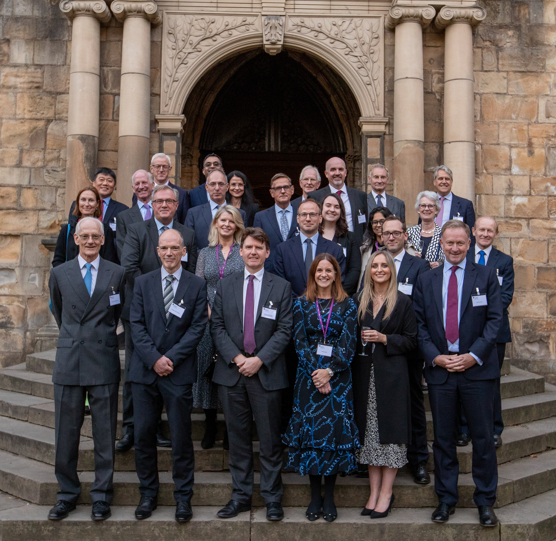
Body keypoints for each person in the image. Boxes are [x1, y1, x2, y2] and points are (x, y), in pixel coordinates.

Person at [413, 220, 503, 528]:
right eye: (449, 243)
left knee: (482, 439)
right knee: (443, 439)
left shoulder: (487, 275)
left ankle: (485, 501)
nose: (454, 248)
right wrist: (436, 357)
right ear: (443, 243)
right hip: (441, 371)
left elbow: (495, 322)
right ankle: (446, 499)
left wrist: (473, 356)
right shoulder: (426, 279)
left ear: (470, 243)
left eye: (460, 243)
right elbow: (419, 325)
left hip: (477, 371)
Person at [211, 227, 293, 522]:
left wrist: (259, 360)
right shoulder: (226, 284)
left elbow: (285, 330)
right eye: (248, 247)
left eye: (259, 247)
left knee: (270, 441)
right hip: (232, 374)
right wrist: (236, 358)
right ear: (240, 251)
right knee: (238, 440)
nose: (254, 252)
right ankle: (241, 497)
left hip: (266, 374)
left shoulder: (281, 287)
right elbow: (216, 327)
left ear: (267, 252)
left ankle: (272, 499)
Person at [47, 217, 125, 522]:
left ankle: (102, 496)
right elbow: (60, 311)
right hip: (69, 360)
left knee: (105, 434)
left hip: (103, 359)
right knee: (65, 434)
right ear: (76, 239)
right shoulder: (59, 273)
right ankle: (66, 494)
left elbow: (116, 312)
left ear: (103, 240)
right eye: (85, 236)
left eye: (96, 236)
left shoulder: (117, 273)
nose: (91, 241)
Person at [129, 228, 208, 523]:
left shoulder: (196, 285)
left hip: (178, 372)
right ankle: (147, 494)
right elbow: (135, 325)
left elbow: (198, 328)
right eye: (165, 248)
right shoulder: (142, 283)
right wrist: (154, 359)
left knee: (181, 438)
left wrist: (170, 358)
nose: (170, 253)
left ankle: (183, 498)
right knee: (144, 435)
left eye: (176, 248)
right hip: (145, 373)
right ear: (158, 251)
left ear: (184, 251)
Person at [119, 184, 198, 451]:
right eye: (159, 201)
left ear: (177, 205)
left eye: (169, 201)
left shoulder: (187, 233)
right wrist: (153, 290)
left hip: (178, 316)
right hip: (143, 311)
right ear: (151, 205)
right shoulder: (137, 230)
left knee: (171, 382)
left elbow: (192, 269)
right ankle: (131, 428)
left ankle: (161, 429)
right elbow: (129, 267)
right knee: (137, 371)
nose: (164, 205)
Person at [283, 253, 359, 522]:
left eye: (329, 270)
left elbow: (349, 344)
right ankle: (315, 497)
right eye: (319, 270)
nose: (324, 274)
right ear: (313, 274)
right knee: (313, 438)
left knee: (333, 438)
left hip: (338, 379)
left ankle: (330, 496)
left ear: (336, 274)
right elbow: (299, 342)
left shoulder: (348, 305)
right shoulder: (301, 304)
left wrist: (328, 372)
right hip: (308, 379)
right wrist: (317, 375)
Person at [352, 251, 417, 519]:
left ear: (391, 270)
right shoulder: (360, 300)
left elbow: (412, 341)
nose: (379, 270)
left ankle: (387, 493)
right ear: (369, 270)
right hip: (364, 377)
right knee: (369, 438)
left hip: (391, 378)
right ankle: (373, 492)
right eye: (374, 265)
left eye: (384, 266)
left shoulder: (403, 302)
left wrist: (385, 338)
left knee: (389, 438)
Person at [381, 216, 431, 485]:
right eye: (386, 233)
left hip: (409, 349)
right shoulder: (374, 263)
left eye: (396, 233)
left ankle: (419, 459)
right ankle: (379, 458)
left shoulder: (419, 266)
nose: (391, 237)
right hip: (379, 349)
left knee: (413, 405)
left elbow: (424, 307)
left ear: (405, 236)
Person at [459, 216, 514, 449]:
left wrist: (484, 319)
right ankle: (464, 429)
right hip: (466, 331)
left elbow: (505, 297)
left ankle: (494, 429)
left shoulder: (505, 261)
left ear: (496, 233)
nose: (485, 234)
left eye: (490, 231)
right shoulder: (463, 255)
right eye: (481, 229)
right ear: (473, 231)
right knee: (463, 381)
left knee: (491, 382)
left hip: (495, 332)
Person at [194, 205, 245, 449]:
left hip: (236, 321)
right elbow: (198, 286)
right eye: (222, 220)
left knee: (231, 372)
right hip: (208, 320)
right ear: (216, 223)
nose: (226, 224)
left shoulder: (243, 252)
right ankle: (210, 424)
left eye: (231, 221)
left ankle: (228, 427)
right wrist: (209, 313)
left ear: (237, 226)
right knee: (207, 372)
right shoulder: (205, 253)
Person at [274, 199, 345, 298]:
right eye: (304, 215)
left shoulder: (335, 249)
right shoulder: (283, 249)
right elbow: (280, 282)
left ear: (320, 218)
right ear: (297, 219)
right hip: (292, 307)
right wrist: (299, 303)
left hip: (325, 307)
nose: (308, 219)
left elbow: (338, 281)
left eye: (312, 214)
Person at [53, 186, 117, 267]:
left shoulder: (106, 230)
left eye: (91, 200)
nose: (87, 204)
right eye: (83, 200)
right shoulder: (67, 230)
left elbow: (109, 259)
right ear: (78, 203)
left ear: (97, 204)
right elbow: (58, 260)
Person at [309, 157, 368, 245]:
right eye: (333, 170)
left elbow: (364, 224)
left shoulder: (360, 196)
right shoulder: (315, 196)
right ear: (326, 174)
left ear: (345, 172)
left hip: (354, 246)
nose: (337, 173)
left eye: (340, 169)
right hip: (325, 245)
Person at [186, 169, 247, 250]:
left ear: (227, 187)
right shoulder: (193, 214)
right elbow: (189, 245)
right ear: (206, 187)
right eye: (213, 184)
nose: (217, 188)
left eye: (221, 184)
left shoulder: (240, 214)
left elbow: (243, 243)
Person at [253, 173, 298, 273]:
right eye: (278, 188)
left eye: (286, 187)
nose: (282, 191)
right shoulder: (261, 217)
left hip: (297, 269)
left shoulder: (302, 215)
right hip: (270, 271)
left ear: (292, 190)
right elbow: (256, 245)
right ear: (271, 193)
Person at [320, 193, 361, 295]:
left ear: (341, 212)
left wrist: (339, 291)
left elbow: (354, 269)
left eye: (336, 207)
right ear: (321, 209)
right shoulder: (313, 236)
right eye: (328, 205)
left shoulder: (350, 238)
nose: (332, 210)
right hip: (315, 294)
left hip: (341, 294)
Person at [134, 153, 190, 224]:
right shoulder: (141, 193)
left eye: (164, 166)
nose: (161, 170)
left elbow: (184, 223)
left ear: (170, 169)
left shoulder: (182, 194)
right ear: (151, 169)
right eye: (157, 166)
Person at [68, 167, 129, 232]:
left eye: (109, 181)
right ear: (93, 183)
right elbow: (71, 230)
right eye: (101, 179)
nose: (105, 183)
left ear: (114, 186)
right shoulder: (78, 205)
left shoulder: (123, 210)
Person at [116, 170, 155, 260]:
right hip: (135, 270)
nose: (141, 187)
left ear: (152, 185)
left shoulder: (163, 212)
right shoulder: (123, 217)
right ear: (133, 188)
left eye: (144, 182)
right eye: (137, 184)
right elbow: (122, 249)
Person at [407, 191, 445, 269]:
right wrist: (410, 255)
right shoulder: (409, 232)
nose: (426, 209)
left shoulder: (443, 234)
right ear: (418, 209)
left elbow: (450, 257)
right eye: (423, 205)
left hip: (434, 277)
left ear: (436, 210)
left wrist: (440, 264)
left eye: (430, 206)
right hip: (413, 278)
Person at [359, 207, 392, 287]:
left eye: (382, 221)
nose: (378, 225)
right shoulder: (365, 247)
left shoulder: (397, 246)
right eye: (375, 222)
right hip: (369, 289)